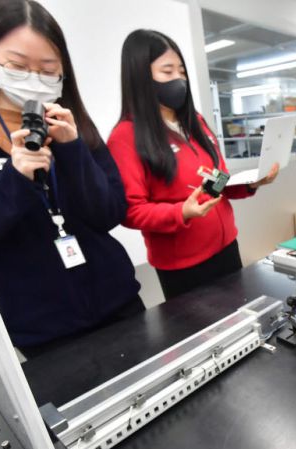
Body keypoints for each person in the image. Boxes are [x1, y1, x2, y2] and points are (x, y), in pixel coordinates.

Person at [0, 0, 142, 356]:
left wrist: (72, 149)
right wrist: (14, 178)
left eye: (47, 69)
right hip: (41, 326)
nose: (33, 79)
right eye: (17, 66)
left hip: (118, 302)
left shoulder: (72, 121)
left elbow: (109, 213)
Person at [108, 30, 279, 300]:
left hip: (226, 247)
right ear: (140, 77)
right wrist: (181, 212)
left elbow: (216, 183)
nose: (179, 79)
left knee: (242, 317)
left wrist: (250, 184)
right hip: (184, 265)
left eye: (181, 71)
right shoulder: (125, 137)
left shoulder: (194, 122)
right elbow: (131, 211)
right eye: (167, 71)